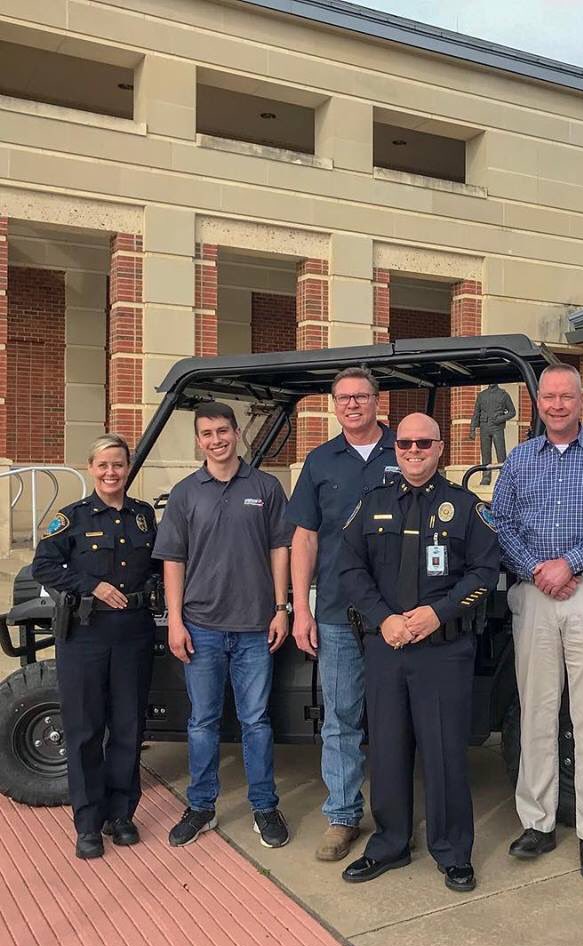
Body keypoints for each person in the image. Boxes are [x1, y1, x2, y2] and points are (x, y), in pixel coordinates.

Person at [338, 413, 499, 892]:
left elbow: (485, 572)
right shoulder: (371, 505)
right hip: (386, 645)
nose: (413, 451)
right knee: (386, 748)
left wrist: (439, 613)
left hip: (442, 650)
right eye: (404, 443)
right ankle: (389, 843)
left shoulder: (466, 507)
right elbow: (348, 569)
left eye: (423, 443)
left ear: (440, 447)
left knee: (445, 751)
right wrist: (383, 618)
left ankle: (452, 851)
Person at [493, 363, 583, 883]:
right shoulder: (519, 460)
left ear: (582, 401)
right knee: (537, 709)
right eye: (548, 397)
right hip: (533, 594)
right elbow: (501, 523)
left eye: (566, 397)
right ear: (538, 403)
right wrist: (537, 569)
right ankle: (538, 820)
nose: (556, 405)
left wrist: (569, 563)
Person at [152, 401, 293, 849]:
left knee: (256, 722)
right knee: (202, 722)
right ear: (199, 441)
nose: (216, 439)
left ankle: (265, 807)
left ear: (236, 433)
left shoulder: (267, 487)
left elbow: (280, 550)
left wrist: (281, 607)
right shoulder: (185, 493)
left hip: (255, 627)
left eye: (223, 431)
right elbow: (173, 561)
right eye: (207, 433)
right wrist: (176, 621)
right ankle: (201, 807)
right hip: (202, 627)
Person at [286, 366, 398, 862]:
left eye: (361, 396)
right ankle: (343, 816)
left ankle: (396, 817)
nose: (352, 404)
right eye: (343, 398)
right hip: (334, 610)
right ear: (334, 406)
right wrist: (297, 609)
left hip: (397, 611)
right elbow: (304, 537)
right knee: (341, 717)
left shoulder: (406, 449)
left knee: (398, 718)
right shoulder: (319, 461)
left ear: (378, 401)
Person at [32, 434, 158, 860]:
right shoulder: (72, 519)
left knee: (128, 728)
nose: (111, 473)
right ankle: (88, 823)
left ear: (128, 468)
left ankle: (120, 814)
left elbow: (158, 565)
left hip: (134, 634)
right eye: (103, 465)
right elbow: (44, 565)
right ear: (91, 468)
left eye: (119, 465)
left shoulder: (143, 517)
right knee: (86, 730)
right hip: (85, 635)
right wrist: (93, 585)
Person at [469, 383, 516, 485]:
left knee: (501, 453)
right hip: (484, 427)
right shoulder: (481, 395)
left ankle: (504, 476)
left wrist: (501, 418)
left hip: (497, 427)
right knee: (485, 453)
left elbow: (512, 412)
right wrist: (472, 428)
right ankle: (486, 477)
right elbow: (476, 413)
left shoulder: (503, 395)